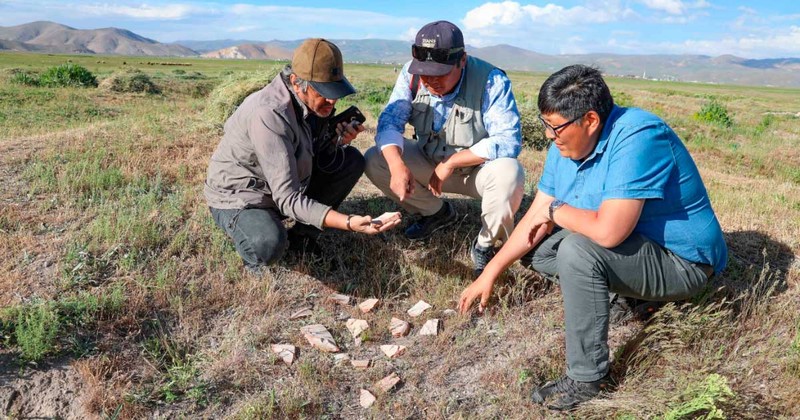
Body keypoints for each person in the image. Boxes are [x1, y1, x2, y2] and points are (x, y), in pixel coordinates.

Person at [458, 65, 728, 410]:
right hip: (635, 248)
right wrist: (490, 273)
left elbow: (607, 231)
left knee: (577, 250)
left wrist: (555, 212)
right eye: (545, 125)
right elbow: (535, 216)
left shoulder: (639, 137)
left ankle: (586, 380)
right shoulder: (565, 145)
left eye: (555, 127)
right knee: (538, 248)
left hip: (682, 262)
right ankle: (629, 297)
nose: (548, 136)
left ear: (590, 120)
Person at [204, 38, 400, 272]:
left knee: (350, 160)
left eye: (336, 91)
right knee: (267, 243)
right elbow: (287, 197)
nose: (332, 100)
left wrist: (335, 143)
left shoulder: (310, 102)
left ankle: (302, 236)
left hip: (283, 183)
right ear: (296, 82)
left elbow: (308, 153)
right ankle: (254, 252)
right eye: (325, 92)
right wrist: (348, 222)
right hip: (243, 196)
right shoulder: (268, 114)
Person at [364, 20, 525, 277]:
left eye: (439, 74)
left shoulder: (490, 80)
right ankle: (436, 213)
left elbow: (508, 140)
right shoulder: (411, 74)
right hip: (429, 164)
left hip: (477, 172)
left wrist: (451, 162)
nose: (430, 81)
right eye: (425, 73)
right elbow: (389, 122)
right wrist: (397, 165)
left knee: (510, 173)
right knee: (376, 158)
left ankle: (485, 244)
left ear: (462, 60)